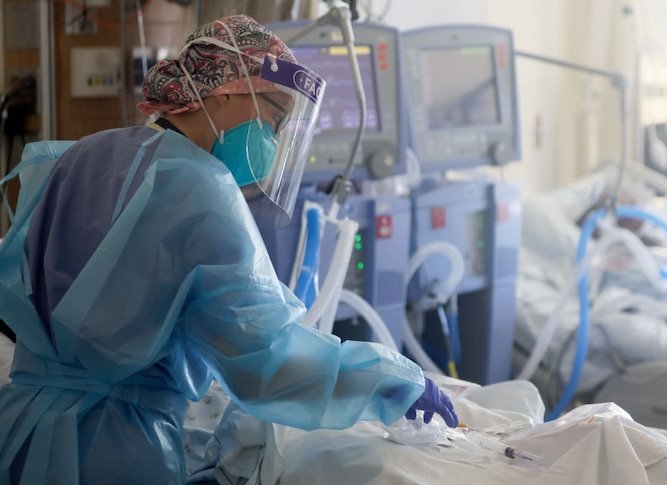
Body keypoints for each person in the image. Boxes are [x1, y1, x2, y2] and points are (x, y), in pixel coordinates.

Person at [0, 14, 456, 484]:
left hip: (20, 432)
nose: (274, 142)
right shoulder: (202, 187)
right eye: (275, 118)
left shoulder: (82, 154)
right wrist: (390, 379)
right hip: (114, 452)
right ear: (225, 91)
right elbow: (270, 363)